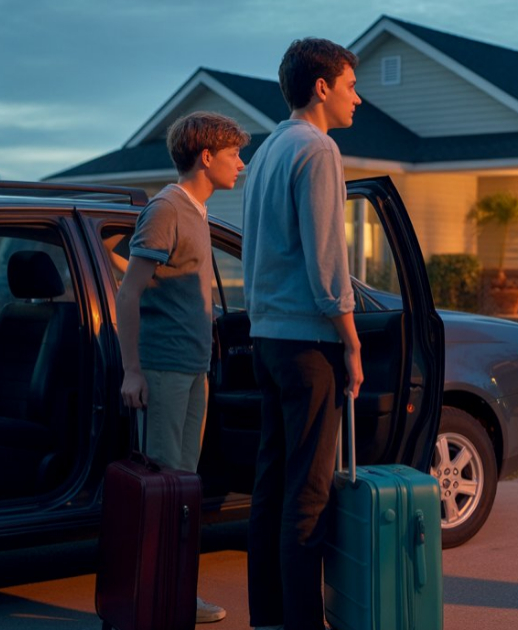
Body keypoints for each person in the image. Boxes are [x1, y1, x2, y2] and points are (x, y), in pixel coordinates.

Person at [241, 37, 364, 630]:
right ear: (322, 87)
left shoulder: (267, 149)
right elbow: (326, 257)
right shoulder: (318, 149)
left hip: (266, 338)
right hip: (308, 344)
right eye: (350, 86)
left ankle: (268, 616)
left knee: (271, 485)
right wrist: (352, 339)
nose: (357, 99)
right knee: (309, 493)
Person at [115, 111, 249, 624]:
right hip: (165, 367)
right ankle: (164, 599)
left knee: (184, 486)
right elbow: (129, 293)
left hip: (195, 367)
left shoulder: (196, 211)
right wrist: (132, 370)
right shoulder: (167, 208)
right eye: (234, 154)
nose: (241, 163)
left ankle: (174, 594)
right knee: (167, 489)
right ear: (206, 157)